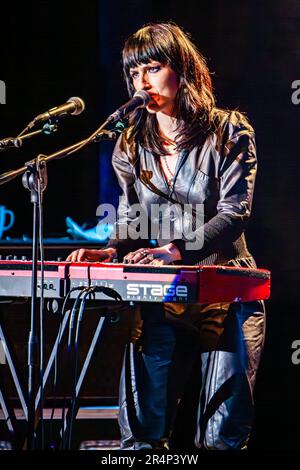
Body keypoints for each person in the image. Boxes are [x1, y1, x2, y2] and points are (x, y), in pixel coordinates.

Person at [67, 22, 265, 450]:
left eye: (153, 67)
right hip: (164, 291)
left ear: (182, 69)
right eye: (134, 72)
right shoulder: (131, 144)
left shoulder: (229, 131)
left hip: (227, 288)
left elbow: (235, 213)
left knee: (222, 438)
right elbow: (132, 217)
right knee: (141, 435)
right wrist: (109, 252)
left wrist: (174, 249)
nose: (142, 81)